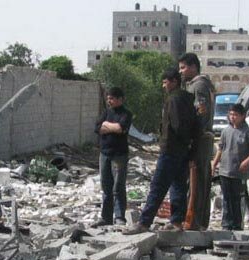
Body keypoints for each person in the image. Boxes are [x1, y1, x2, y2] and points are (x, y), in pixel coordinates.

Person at [124, 68, 197, 235]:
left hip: (171, 150)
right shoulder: (187, 99)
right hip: (183, 150)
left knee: (158, 186)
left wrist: (175, 142)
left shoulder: (174, 100)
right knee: (178, 186)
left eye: (166, 82)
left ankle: (144, 223)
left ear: (174, 82)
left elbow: (177, 126)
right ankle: (177, 221)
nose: (164, 86)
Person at [178, 53, 216, 230]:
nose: (181, 71)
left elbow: (201, 113)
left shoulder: (199, 86)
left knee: (197, 181)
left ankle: (195, 222)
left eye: (183, 67)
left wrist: (191, 135)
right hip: (202, 139)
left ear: (193, 67)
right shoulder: (200, 85)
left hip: (200, 140)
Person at [211, 104, 249, 230]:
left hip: (239, 173)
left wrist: (246, 162)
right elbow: (221, 148)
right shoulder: (226, 131)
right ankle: (226, 225)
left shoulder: (248, 133)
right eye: (231, 114)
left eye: (236, 115)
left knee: (237, 199)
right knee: (226, 199)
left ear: (243, 116)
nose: (233, 117)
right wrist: (214, 164)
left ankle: (237, 225)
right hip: (225, 171)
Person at [92, 87, 133, 227]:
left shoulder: (126, 114)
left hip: (119, 155)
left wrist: (107, 126)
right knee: (106, 186)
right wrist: (111, 127)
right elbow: (97, 128)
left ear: (120, 99)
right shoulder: (106, 112)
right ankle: (106, 217)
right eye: (108, 98)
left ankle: (120, 217)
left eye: (112, 98)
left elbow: (121, 128)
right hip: (104, 153)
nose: (109, 101)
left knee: (118, 187)